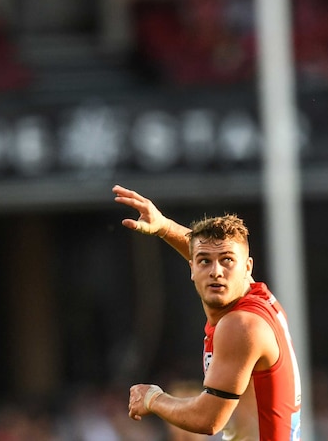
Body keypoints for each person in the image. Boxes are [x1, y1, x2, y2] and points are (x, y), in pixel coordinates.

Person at [114, 185, 302, 440]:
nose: (216, 271)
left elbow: (208, 419)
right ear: (192, 268)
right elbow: (205, 252)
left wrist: (153, 399)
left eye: (227, 260)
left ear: (247, 268)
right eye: (204, 262)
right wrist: (165, 227)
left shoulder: (241, 325)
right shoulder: (258, 298)